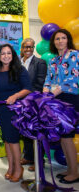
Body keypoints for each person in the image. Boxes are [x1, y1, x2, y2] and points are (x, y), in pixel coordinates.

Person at [43, 29, 79, 184]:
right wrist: (44, 92)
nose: (60, 41)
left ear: (68, 40)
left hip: (70, 98)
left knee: (67, 136)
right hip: (55, 98)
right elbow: (48, 79)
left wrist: (51, 94)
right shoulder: (53, 60)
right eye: (57, 39)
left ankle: (75, 172)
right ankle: (70, 169)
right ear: (53, 42)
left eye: (63, 38)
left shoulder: (74, 55)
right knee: (63, 136)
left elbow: (73, 79)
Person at [0, 43, 31, 182]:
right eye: (3, 53)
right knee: (7, 140)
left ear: (12, 55)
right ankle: (11, 167)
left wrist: (15, 96)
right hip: (2, 110)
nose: (6, 56)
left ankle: (19, 168)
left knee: (13, 140)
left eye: (8, 53)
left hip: (15, 109)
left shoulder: (19, 69)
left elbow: (28, 88)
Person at [20, 38, 47, 171]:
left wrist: (25, 95)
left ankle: (39, 160)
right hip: (20, 103)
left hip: (33, 102)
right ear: (22, 48)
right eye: (26, 47)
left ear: (34, 48)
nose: (28, 49)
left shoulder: (40, 63)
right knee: (24, 130)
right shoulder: (18, 63)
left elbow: (40, 83)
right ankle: (29, 157)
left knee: (35, 131)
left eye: (30, 47)